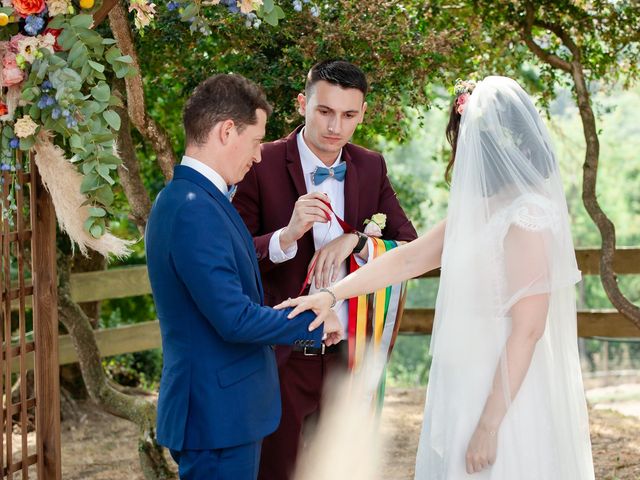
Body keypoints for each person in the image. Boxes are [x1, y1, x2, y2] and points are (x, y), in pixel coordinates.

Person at [279, 76, 595, 479]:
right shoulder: (481, 208)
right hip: (464, 382)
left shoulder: (527, 216)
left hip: (504, 393)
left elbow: (528, 330)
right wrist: (330, 295)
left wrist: (489, 425)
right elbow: (408, 260)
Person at [145, 73, 342, 480]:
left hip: (224, 411)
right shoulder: (193, 208)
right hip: (216, 416)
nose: (257, 157)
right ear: (226, 131)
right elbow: (234, 318)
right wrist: (315, 322)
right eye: (255, 143)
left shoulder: (194, 198)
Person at [233, 60, 417, 480]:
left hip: (348, 357)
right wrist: (287, 234)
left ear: (363, 114)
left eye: (349, 115)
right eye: (325, 111)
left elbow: (409, 245)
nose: (336, 126)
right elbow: (233, 253)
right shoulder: (259, 162)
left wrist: (356, 240)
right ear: (302, 104)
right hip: (281, 357)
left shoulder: (371, 166)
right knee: (277, 471)